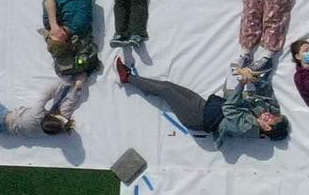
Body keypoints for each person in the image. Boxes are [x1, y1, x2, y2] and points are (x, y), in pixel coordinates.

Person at [115, 54, 289, 145]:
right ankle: (136, 81)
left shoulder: (248, 126)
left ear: (266, 127)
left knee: (166, 90)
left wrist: (242, 84)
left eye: (271, 119)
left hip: (198, 117)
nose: (268, 115)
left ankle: (127, 78)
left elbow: (229, 109)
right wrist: (256, 78)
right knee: (168, 86)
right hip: (205, 106)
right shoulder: (260, 117)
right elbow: (270, 101)